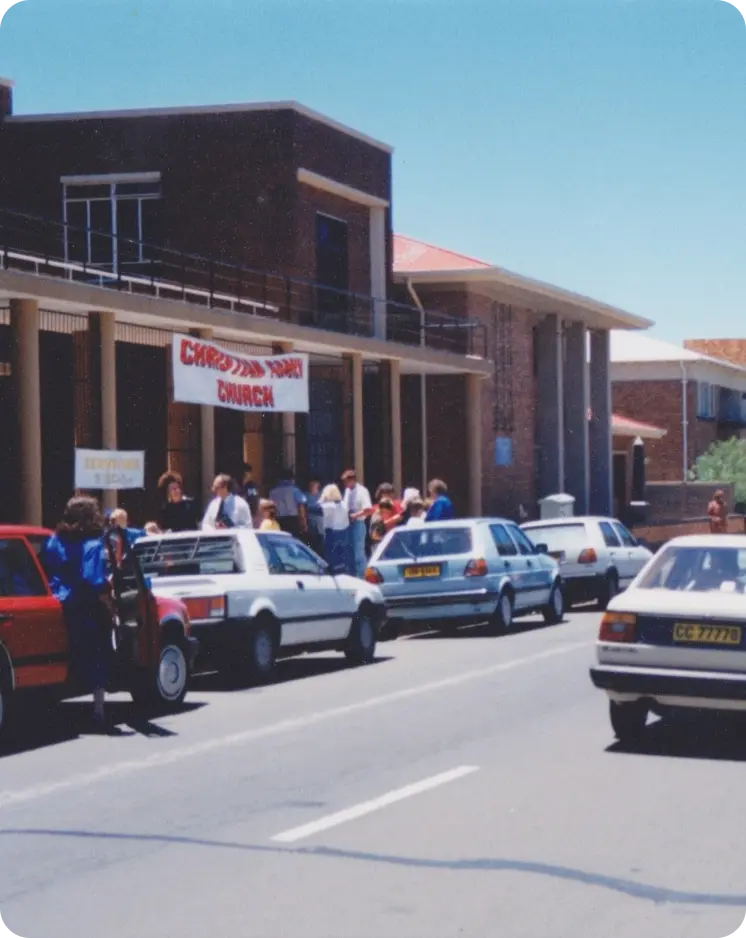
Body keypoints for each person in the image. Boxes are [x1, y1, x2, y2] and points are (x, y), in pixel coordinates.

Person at [40, 496, 113, 729]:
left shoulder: (53, 541)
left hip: (55, 604)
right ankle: (98, 711)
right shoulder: (93, 545)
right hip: (85, 606)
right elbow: (92, 579)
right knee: (96, 655)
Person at [342, 468, 373, 577]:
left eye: (346, 482)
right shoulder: (347, 491)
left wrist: (355, 515)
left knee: (358, 552)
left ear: (352, 480)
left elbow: (368, 510)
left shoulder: (362, 491)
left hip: (358, 524)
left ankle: (363, 576)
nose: (345, 484)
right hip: (347, 524)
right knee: (349, 552)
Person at [319, 484, 353, 575]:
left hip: (331, 533)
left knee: (330, 558)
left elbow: (313, 507)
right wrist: (348, 490)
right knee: (343, 559)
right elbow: (347, 496)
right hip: (344, 533)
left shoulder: (328, 506)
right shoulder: (344, 505)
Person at [269, 469, 308, 539]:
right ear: (291, 479)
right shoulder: (295, 490)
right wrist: (303, 522)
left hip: (279, 520)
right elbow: (301, 507)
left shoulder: (273, 492)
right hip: (292, 521)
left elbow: (271, 508)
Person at [305, 479, 325, 554]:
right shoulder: (305, 495)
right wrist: (318, 507)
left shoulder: (322, 495)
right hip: (310, 522)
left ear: (318, 485)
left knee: (322, 542)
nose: (312, 486)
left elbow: (324, 508)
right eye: (311, 485)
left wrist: (313, 507)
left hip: (321, 523)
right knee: (312, 541)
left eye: (314, 485)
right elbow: (305, 507)